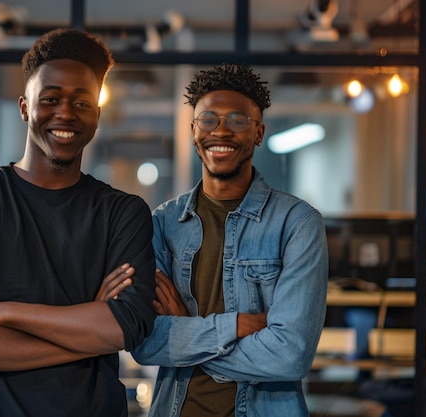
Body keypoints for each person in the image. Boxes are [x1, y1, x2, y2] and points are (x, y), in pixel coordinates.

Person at [0, 28, 156, 417]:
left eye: (82, 102)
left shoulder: (123, 212)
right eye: (50, 99)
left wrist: (6, 312)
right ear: (25, 106)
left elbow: (124, 328)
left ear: (96, 113)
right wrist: (87, 327)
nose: (66, 113)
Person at [132, 63, 329, 417]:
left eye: (238, 120)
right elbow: (146, 344)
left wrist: (186, 330)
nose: (220, 131)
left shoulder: (297, 224)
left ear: (258, 133)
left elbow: (290, 355)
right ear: (193, 130)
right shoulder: (162, 223)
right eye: (208, 119)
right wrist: (237, 324)